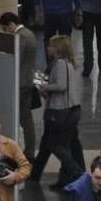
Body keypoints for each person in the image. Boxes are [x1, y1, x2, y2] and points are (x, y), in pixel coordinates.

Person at [30, 34, 85, 189]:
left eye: (51, 46)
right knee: (70, 143)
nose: (48, 48)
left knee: (54, 144)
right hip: (72, 110)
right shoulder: (69, 63)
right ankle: (59, 177)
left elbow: (61, 86)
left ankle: (75, 171)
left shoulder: (60, 63)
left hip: (59, 111)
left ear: (58, 48)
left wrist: (43, 86)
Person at [0, 11, 39, 161]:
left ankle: (26, 150)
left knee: (22, 117)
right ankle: (29, 149)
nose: (5, 32)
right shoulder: (29, 33)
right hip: (27, 81)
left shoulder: (20, 36)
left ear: (11, 25)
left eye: (4, 28)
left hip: (20, 82)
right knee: (26, 117)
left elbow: (16, 59)